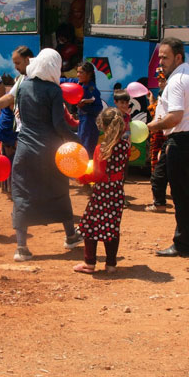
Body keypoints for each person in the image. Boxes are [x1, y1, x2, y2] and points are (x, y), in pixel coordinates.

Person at [11, 48, 82, 261]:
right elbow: (59, 125)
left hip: (24, 149)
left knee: (22, 194)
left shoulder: (23, 86)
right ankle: (70, 236)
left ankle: (21, 248)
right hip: (49, 151)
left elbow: (22, 118)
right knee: (59, 190)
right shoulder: (54, 90)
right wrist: (76, 140)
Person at [147, 38, 189, 258]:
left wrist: (150, 127)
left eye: (165, 57)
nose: (160, 62)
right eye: (160, 57)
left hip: (182, 141)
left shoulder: (176, 81)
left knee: (182, 196)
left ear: (178, 57)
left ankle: (182, 244)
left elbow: (175, 117)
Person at [72, 108, 130, 274]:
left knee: (90, 225)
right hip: (117, 191)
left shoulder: (102, 148)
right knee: (112, 227)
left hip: (102, 192)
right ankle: (111, 264)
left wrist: (82, 178)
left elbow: (98, 174)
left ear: (103, 126)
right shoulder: (125, 146)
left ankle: (89, 263)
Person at [0, 46, 33, 133]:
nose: (15, 67)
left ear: (27, 60)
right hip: (23, 131)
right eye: (14, 63)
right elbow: (10, 98)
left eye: (18, 63)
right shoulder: (22, 78)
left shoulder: (38, 78)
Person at [61, 62, 103, 158]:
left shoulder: (92, 90)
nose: (78, 75)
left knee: (86, 150)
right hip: (83, 123)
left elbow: (98, 108)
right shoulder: (78, 83)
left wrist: (83, 107)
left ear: (89, 74)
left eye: (81, 72)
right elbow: (65, 81)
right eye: (78, 72)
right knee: (81, 148)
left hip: (90, 124)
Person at [146, 67, 169, 212]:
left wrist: (151, 104)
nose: (160, 83)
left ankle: (159, 197)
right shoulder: (162, 94)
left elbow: (157, 114)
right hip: (158, 132)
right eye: (159, 80)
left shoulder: (168, 95)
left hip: (162, 132)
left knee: (160, 164)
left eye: (163, 80)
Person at [0, 74, 18, 195]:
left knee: (11, 163)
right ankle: (9, 188)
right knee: (9, 163)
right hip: (8, 136)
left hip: (11, 135)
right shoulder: (11, 97)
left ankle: (10, 189)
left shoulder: (10, 97)